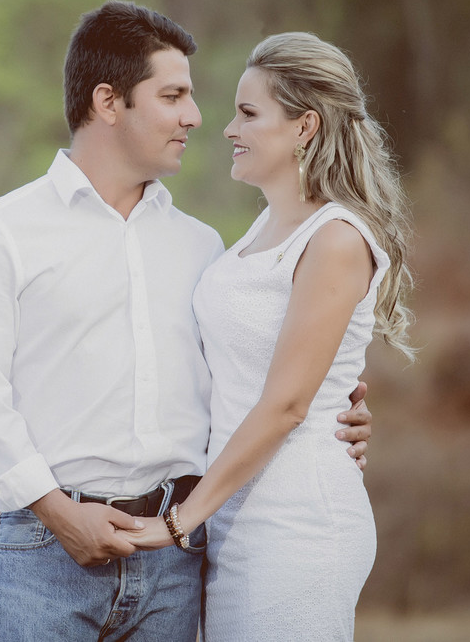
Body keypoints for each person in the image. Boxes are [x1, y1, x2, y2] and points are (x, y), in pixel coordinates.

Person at [0, 2, 373, 641]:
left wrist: (341, 404)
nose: (195, 117)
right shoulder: (4, 234)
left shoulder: (203, 248)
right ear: (109, 102)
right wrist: (58, 513)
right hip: (41, 556)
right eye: (173, 95)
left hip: (174, 558)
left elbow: (256, 371)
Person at [125, 32, 416, 640]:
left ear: (305, 127)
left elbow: (287, 403)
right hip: (234, 521)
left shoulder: (335, 238)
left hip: (296, 525)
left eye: (249, 114)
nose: (228, 128)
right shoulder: (265, 226)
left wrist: (178, 523)